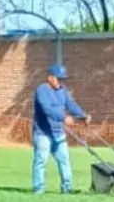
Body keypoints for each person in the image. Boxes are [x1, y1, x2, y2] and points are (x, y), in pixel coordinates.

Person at [31, 64, 88, 194]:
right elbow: (47, 109)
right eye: (58, 79)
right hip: (43, 134)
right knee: (41, 161)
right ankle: (38, 190)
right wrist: (64, 117)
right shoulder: (42, 90)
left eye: (63, 79)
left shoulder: (62, 91)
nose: (60, 82)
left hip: (58, 133)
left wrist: (83, 115)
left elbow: (71, 105)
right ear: (50, 77)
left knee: (64, 161)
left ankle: (67, 189)